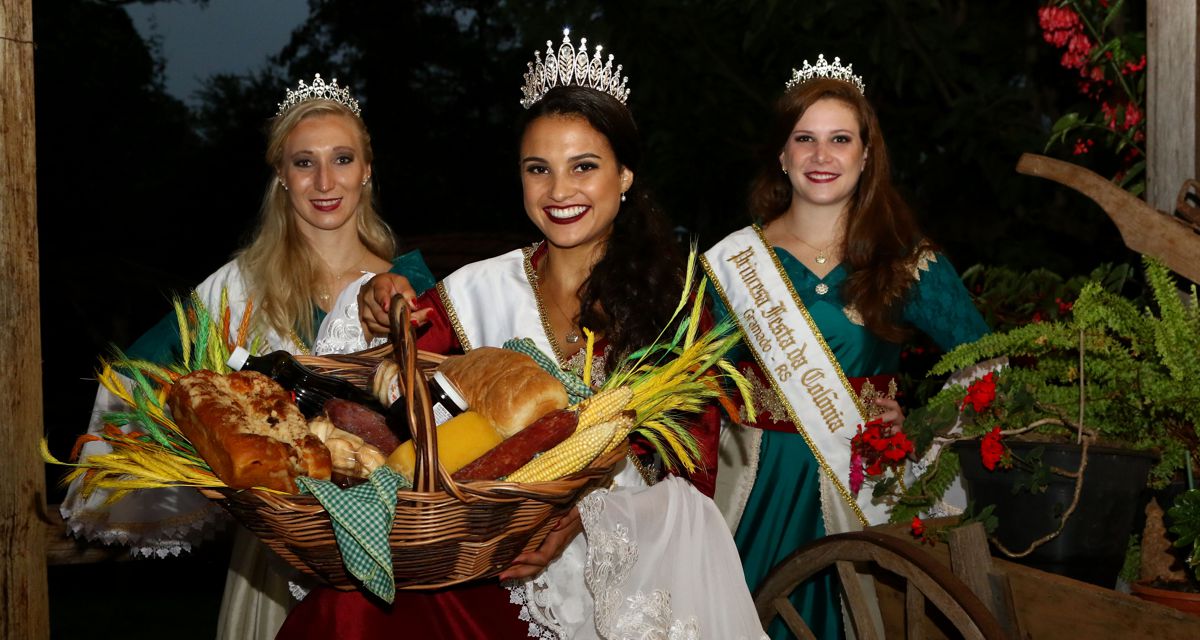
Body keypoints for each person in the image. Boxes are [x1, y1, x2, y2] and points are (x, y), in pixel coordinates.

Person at [278, 31, 766, 640]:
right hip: (484, 554)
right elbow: (388, 384)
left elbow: (687, 469)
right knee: (344, 614)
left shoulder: (678, 301)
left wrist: (575, 519)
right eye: (539, 170)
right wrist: (382, 301)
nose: (559, 192)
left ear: (625, 176)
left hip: (631, 561)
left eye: (583, 167)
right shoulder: (478, 290)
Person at [59, 74, 437, 639]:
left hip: (393, 545)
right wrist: (209, 457)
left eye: (342, 158)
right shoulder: (240, 287)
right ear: (281, 177)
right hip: (277, 558)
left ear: (367, 169)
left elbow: (447, 411)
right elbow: (138, 375)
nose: (325, 181)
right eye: (303, 163)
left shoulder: (407, 284)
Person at [702, 55, 990, 639]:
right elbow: (694, 382)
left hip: (863, 477)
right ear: (782, 156)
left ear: (866, 155)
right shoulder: (732, 262)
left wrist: (929, 424)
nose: (820, 155)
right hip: (751, 483)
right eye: (803, 138)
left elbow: (988, 364)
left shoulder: (905, 261)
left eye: (839, 139)